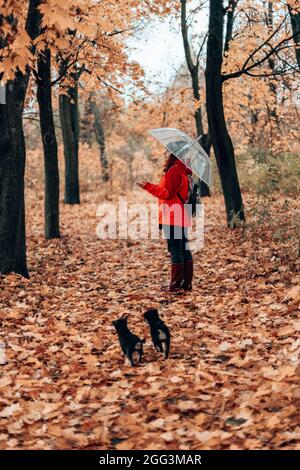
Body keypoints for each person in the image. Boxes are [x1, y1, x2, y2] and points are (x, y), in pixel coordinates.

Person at [137, 152, 193, 292]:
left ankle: (175, 285)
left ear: (174, 153)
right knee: (183, 249)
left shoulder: (175, 170)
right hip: (181, 214)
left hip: (173, 215)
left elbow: (167, 193)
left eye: (169, 151)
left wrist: (148, 186)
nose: (166, 153)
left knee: (176, 250)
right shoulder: (184, 169)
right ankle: (186, 284)